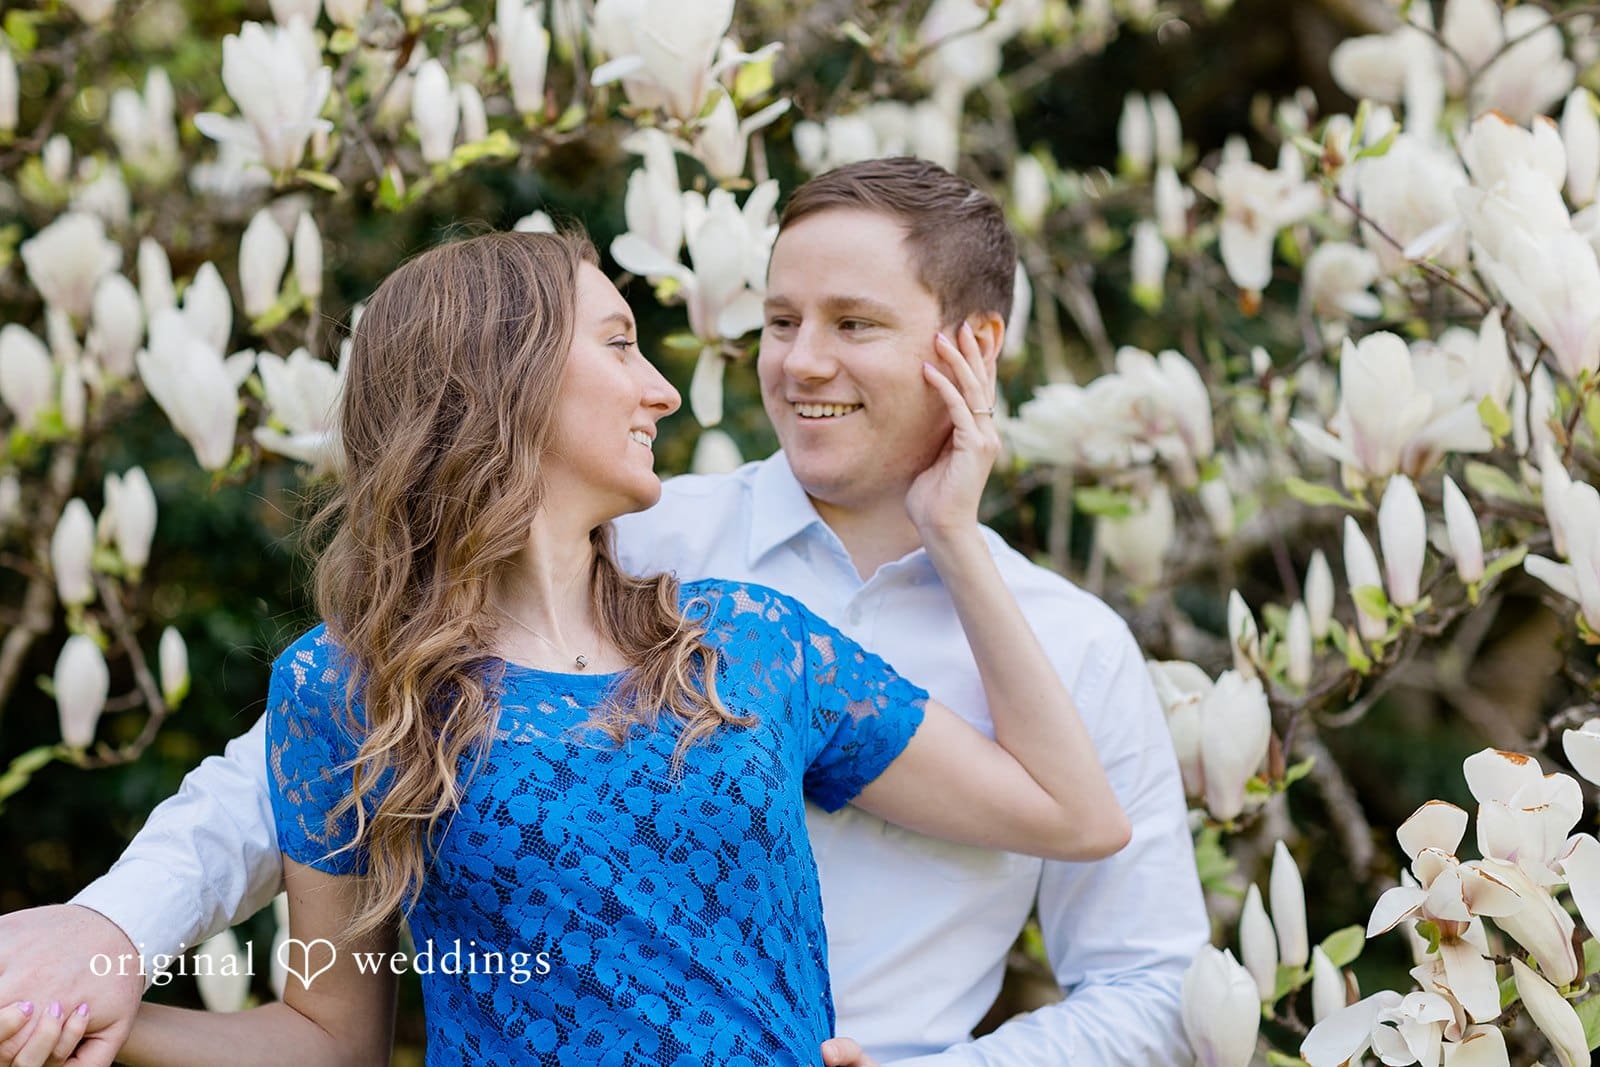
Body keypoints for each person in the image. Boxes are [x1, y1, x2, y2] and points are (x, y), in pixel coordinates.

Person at [0, 157, 1208, 1066]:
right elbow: (272, 798)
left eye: (853, 323)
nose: (795, 363)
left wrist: (957, 538)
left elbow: (1144, 970)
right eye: (778, 320)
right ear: (506, 383)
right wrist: (101, 939)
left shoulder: (1018, 645)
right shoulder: (637, 538)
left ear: (972, 347)